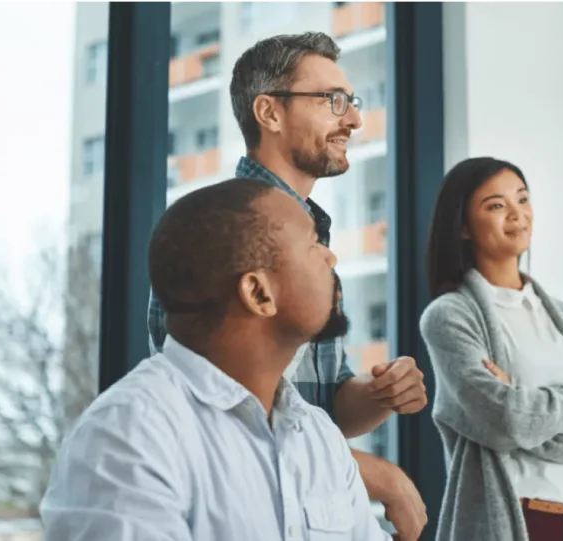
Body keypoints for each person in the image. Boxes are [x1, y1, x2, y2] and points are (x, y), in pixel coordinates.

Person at [146, 32, 428, 540]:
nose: (354, 119)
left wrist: (380, 393)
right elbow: (217, 416)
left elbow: (327, 406)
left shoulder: (315, 244)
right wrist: (376, 474)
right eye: (332, 100)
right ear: (270, 113)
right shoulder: (215, 233)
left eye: (353, 102)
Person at [40, 178, 395, 541]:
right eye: (312, 245)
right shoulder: (128, 436)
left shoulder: (318, 437)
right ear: (259, 293)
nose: (330, 257)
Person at [418, 157, 563, 541]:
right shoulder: (449, 316)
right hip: (514, 521)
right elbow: (507, 422)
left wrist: (525, 407)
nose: (517, 215)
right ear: (463, 227)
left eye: (522, 199)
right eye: (497, 206)